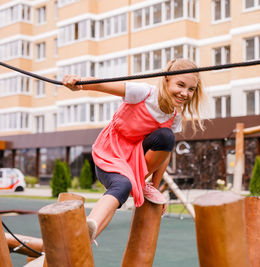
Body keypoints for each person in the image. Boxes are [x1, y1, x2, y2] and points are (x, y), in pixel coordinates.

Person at [62, 59, 206, 245]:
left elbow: (164, 153)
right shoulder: (144, 93)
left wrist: (154, 187)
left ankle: (142, 183)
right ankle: (88, 230)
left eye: (191, 89)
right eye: (180, 85)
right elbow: (101, 84)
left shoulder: (174, 116)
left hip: (135, 159)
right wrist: (78, 84)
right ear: (166, 79)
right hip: (110, 153)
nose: (185, 93)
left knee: (166, 137)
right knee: (122, 186)